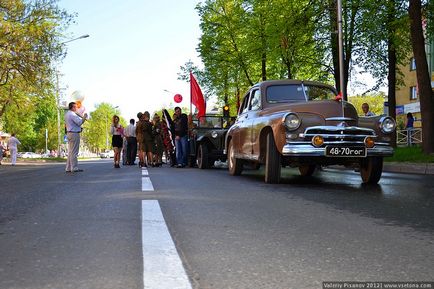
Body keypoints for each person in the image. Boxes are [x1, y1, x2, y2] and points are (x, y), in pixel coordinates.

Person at [65, 102, 88, 173]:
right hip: (74, 134)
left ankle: (68, 168)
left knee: (70, 152)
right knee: (74, 152)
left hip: (69, 133)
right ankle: (74, 167)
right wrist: (84, 117)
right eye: (75, 107)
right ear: (72, 107)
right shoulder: (72, 114)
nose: (77, 108)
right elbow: (79, 122)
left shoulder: (67, 114)